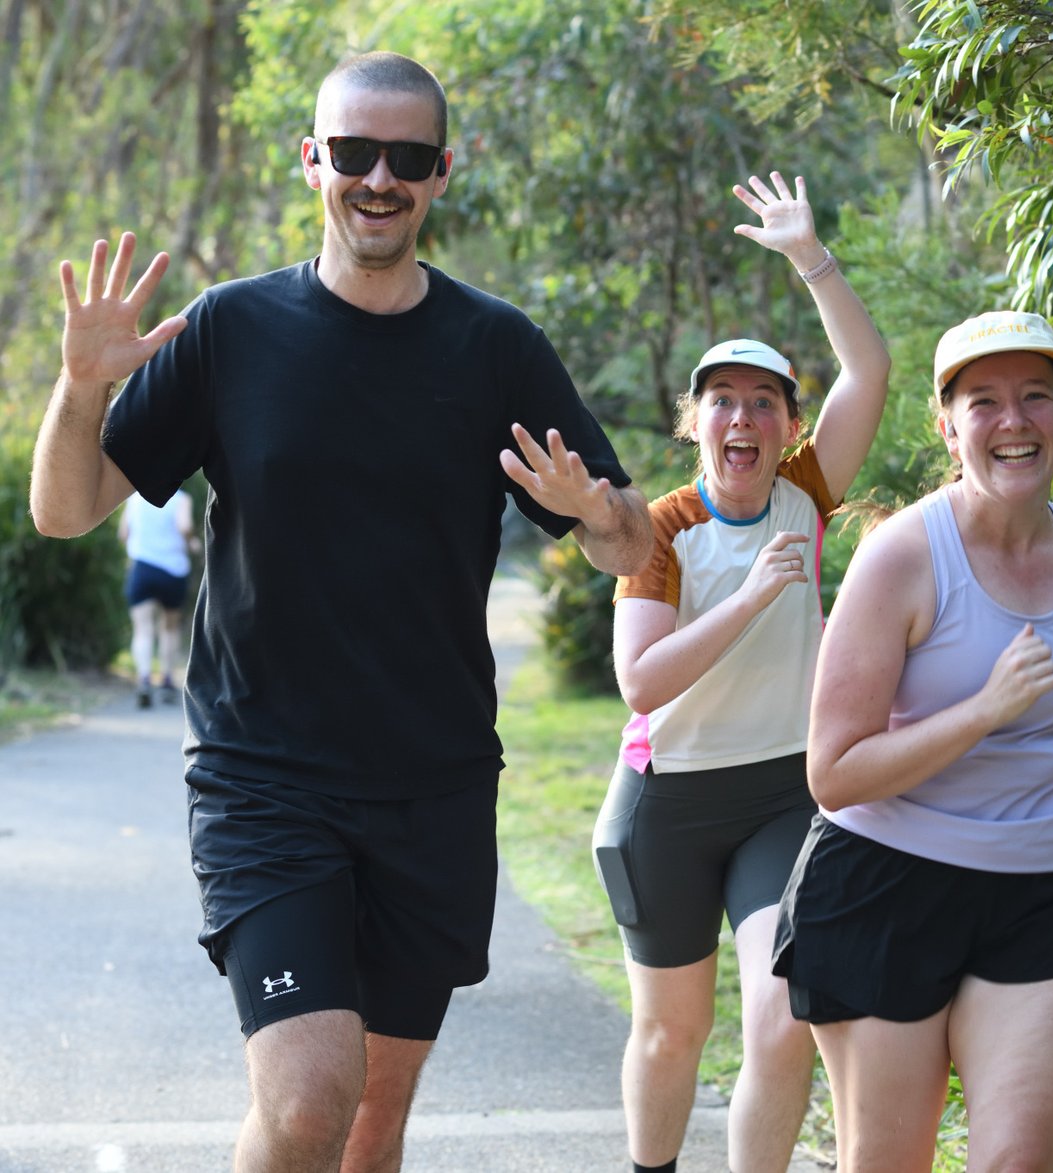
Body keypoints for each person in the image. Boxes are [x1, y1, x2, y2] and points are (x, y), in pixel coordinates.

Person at [29, 50, 652, 1173]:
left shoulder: (495, 347)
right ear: (311, 159)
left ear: (441, 174)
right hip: (265, 780)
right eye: (354, 152)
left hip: (436, 786)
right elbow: (67, 510)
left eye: (406, 158)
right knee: (314, 1094)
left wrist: (595, 511)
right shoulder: (230, 331)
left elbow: (632, 547)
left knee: (371, 1123)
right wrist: (83, 390)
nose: (379, 178)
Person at [772, 310, 1053, 1171]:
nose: (1014, 421)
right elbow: (833, 772)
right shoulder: (902, 558)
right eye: (984, 401)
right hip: (883, 884)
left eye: (1037, 397)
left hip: (1043, 887)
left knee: (1016, 1161)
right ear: (948, 427)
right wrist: (982, 711)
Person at [593, 171, 891, 1173]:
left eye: (765, 403)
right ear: (696, 425)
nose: (743, 419)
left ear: (788, 429)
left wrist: (810, 257)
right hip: (665, 802)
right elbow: (640, 683)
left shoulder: (809, 494)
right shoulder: (661, 529)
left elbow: (871, 372)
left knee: (778, 1024)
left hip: (780, 794)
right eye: (722, 401)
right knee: (672, 1033)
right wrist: (758, 595)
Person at [117, 488, 199, 707]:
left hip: (142, 567)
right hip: (173, 570)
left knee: (142, 629)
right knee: (169, 628)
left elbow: (124, 533)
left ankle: (144, 679)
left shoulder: (133, 498)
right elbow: (185, 526)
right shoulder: (182, 499)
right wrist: (193, 542)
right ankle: (166, 680)